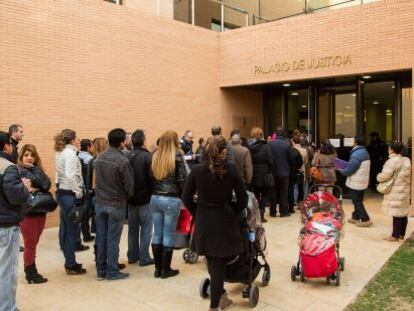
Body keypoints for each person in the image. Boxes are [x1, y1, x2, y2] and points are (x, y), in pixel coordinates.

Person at [182, 135, 248, 311]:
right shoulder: (231, 170)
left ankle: (221, 298)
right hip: (225, 220)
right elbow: (243, 198)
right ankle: (215, 305)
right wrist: (234, 209)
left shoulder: (197, 170)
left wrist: (197, 211)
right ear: (223, 152)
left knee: (213, 260)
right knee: (217, 261)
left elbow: (186, 197)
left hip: (204, 220)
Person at [94, 128, 134, 281]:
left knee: (101, 237)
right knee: (112, 239)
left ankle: (101, 271)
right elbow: (129, 186)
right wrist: (125, 197)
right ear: (122, 142)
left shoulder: (99, 158)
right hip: (116, 204)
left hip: (100, 203)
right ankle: (112, 271)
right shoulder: (123, 160)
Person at [0, 131, 31, 311]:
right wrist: (25, 188)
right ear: (6, 146)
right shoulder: (8, 167)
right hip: (5, 225)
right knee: (7, 271)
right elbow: (16, 197)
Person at [151, 130, 187, 279]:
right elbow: (182, 179)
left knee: (157, 233)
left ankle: (157, 269)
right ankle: (166, 270)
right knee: (168, 234)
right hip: (171, 199)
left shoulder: (155, 156)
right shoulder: (177, 155)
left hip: (155, 198)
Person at [55, 129, 88, 275]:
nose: (79, 141)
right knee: (71, 230)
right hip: (69, 194)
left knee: (65, 228)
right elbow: (69, 175)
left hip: (63, 193)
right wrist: (78, 191)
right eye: (78, 138)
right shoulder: (70, 154)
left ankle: (69, 259)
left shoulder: (62, 152)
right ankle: (70, 263)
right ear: (73, 140)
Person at [18, 144, 52, 284]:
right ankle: (30, 272)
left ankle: (31, 268)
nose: (29, 158)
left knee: (34, 243)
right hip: (28, 213)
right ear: (21, 157)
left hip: (40, 211)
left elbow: (47, 184)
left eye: (32, 155)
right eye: (26, 155)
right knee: (30, 244)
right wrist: (37, 177)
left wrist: (35, 172)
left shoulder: (36, 169)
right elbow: (42, 183)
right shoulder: (19, 171)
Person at [127, 129, 154, 266]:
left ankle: (132, 256)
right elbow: (152, 178)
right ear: (144, 140)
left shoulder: (127, 156)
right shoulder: (147, 157)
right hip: (145, 199)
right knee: (146, 229)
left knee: (132, 229)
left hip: (130, 199)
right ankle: (144, 258)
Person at [377, 142, 411, 241]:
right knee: (403, 212)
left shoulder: (392, 161)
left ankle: (394, 236)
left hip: (395, 190)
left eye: (389, 148)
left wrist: (378, 176)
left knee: (396, 213)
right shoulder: (406, 160)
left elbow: (385, 176)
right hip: (404, 189)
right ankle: (401, 234)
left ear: (392, 149)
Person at [339, 136, 373, 227]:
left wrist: (342, 170)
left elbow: (351, 168)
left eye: (353, 141)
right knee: (357, 200)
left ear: (356, 143)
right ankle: (356, 217)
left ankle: (365, 219)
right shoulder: (364, 152)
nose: (352, 143)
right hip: (361, 180)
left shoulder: (357, 154)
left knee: (357, 201)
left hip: (357, 181)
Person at [247, 127, 273, 222]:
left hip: (254, 174)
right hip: (264, 174)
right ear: (261, 135)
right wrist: (270, 170)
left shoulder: (249, 147)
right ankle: (261, 213)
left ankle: (256, 214)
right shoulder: (266, 146)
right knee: (265, 194)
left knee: (256, 195)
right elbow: (270, 160)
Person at [268, 127, 293, 217]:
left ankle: (272, 212)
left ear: (276, 133)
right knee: (283, 193)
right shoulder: (287, 144)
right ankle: (283, 212)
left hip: (273, 172)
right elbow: (291, 158)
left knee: (273, 192)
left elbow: (268, 157)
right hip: (284, 172)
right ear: (283, 134)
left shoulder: (270, 144)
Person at [78, 139, 95, 244]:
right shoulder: (90, 159)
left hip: (79, 188)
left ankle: (85, 234)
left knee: (83, 213)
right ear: (88, 147)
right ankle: (87, 235)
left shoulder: (77, 156)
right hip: (88, 189)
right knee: (87, 213)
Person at [288, 139, 303, 214]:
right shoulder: (295, 151)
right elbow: (300, 162)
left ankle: (285, 207)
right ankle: (291, 208)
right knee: (291, 189)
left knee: (284, 191)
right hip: (293, 173)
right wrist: (296, 167)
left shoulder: (284, 151)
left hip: (284, 172)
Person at [292, 135, 308, 211]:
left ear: (293, 141)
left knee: (294, 187)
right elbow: (306, 162)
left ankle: (293, 202)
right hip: (302, 171)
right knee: (301, 188)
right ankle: (300, 204)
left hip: (293, 171)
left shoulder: (291, 149)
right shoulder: (304, 150)